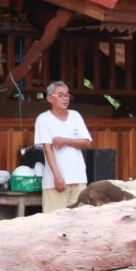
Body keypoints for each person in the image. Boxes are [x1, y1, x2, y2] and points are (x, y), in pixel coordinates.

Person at [34, 81, 93, 213]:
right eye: (60, 95)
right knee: (55, 222)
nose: (65, 99)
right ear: (50, 98)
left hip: (78, 178)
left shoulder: (75, 116)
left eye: (67, 95)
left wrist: (65, 141)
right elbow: (48, 149)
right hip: (55, 181)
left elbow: (86, 143)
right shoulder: (43, 119)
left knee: (80, 220)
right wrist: (57, 176)